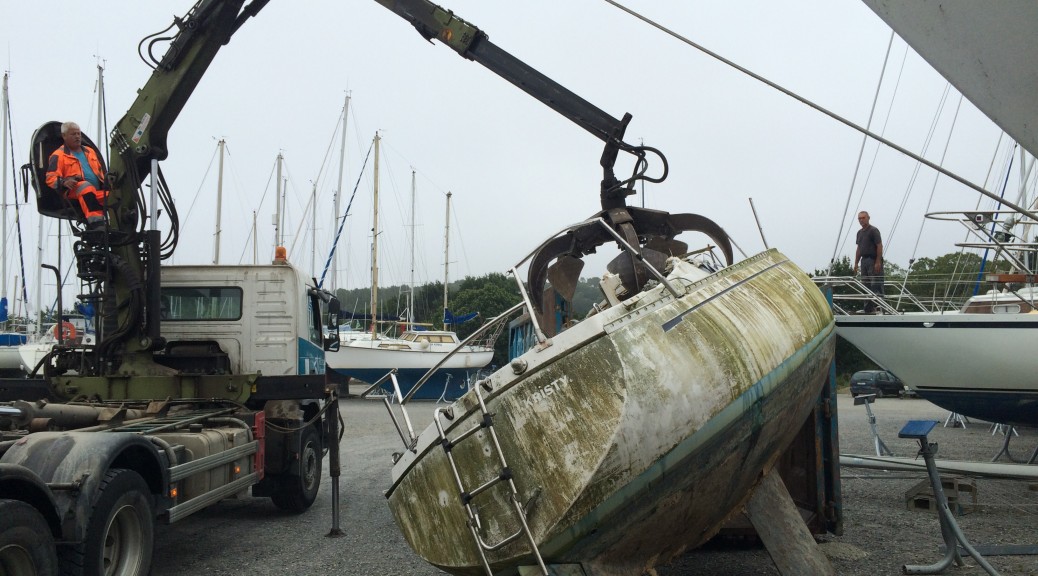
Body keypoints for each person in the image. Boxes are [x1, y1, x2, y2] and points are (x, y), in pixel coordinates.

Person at [45, 121, 108, 228]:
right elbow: (50, 178)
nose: (77, 136)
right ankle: (96, 225)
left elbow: (100, 172)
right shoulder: (58, 155)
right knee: (86, 187)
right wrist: (64, 182)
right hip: (73, 190)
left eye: (78, 133)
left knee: (116, 195)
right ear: (64, 136)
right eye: (73, 134)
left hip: (96, 191)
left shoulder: (90, 151)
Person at [853, 211, 884, 313]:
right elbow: (859, 248)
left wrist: (878, 261)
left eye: (863, 218)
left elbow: (879, 245)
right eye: (859, 218)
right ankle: (868, 308)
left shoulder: (873, 230)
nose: (861, 220)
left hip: (873, 259)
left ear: (868, 218)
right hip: (864, 260)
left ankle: (881, 307)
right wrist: (856, 263)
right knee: (865, 285)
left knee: (876, 284)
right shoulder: (859, 233)